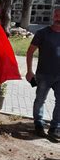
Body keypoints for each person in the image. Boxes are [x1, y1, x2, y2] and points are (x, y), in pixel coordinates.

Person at [26, 8, 60, 140]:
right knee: (40, 100)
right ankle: (39, 124)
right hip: (44, 75)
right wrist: (29, 71)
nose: (58, 18)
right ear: (53, 16)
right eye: (56, 15)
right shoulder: (42, 33)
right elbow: (30, 52)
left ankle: (55, 127)